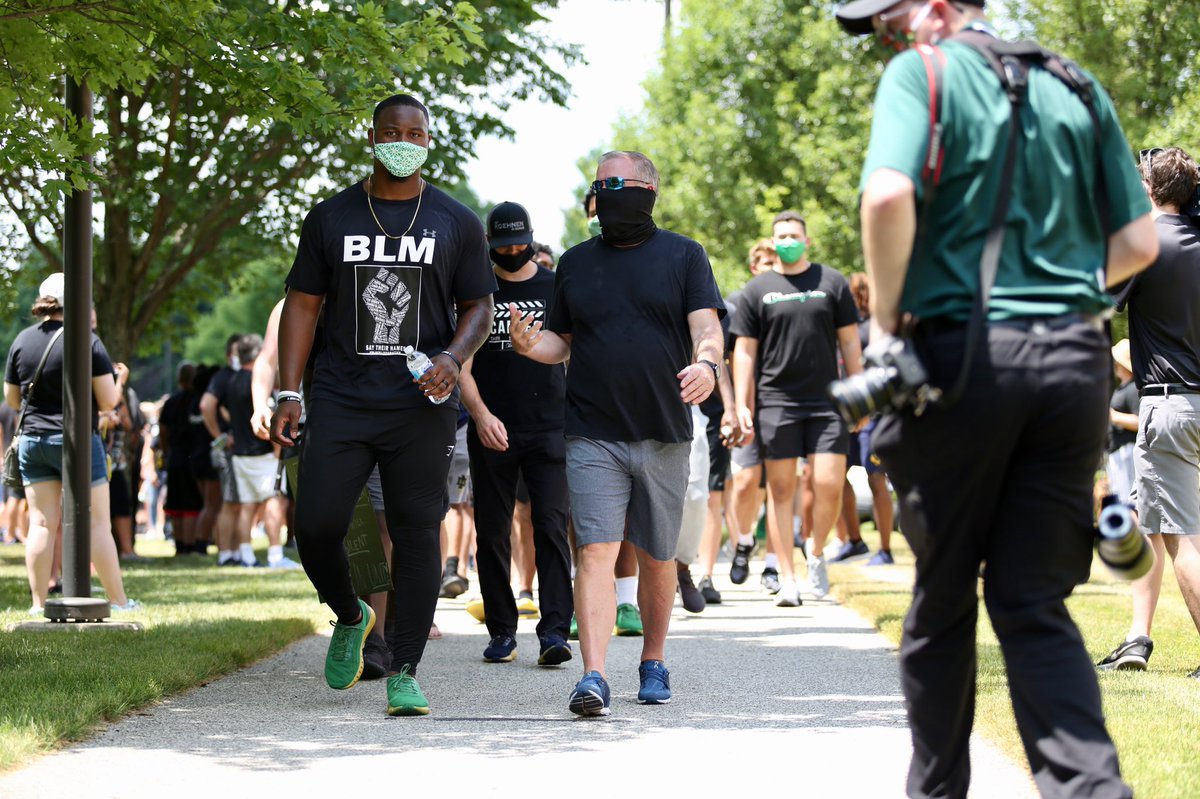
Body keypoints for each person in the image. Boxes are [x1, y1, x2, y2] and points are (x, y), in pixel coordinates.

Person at [837, 0, 1158, 795]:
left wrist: (883, 327)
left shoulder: (927, 70)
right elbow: (1139, 242)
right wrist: (1060, 296)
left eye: (889, 26)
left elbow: (885, 196)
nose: (889, 44)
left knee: (942, 598)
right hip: (1075, 362)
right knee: (1033, 602)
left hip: (963, 358)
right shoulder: (1078, 85)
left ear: (939, 11)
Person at [271, 93, 495, 717]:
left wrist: (452, 358)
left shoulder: (455, 221)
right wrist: (290, 390)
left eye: (415, 132)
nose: (404, 140)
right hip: (342, 396)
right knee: (315, 527)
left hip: (419, 403)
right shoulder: (331, 217)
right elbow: (303, 306)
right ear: (372, 137)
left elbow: (478, 306)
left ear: (428, 140)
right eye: (392, 131)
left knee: (417, 533)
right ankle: (350, 612)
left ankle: (404, 667)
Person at [510, 150, 724, 716]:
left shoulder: (685, 255)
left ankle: (653, 660)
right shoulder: (575, 264)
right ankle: (593, 676)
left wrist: (708, 366)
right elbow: (562, 342)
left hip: (663, 431)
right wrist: (532, 347)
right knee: (597, 549)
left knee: (656, 554)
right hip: (591, 431)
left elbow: (707, 327)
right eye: (599, 185)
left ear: (650, 188)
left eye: (618, 183)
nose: (606, 193)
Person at [1098, 147, 1200, 675]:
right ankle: (1138, 636)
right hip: (1190, 406)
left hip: (1170, 405)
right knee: (1151, 523)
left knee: (1181, 534)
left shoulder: (1144, 243)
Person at [458, 200, 573, 665]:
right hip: (491, 428)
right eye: (504, 245)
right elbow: (460, 364)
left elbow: (569, 348)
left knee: (550, 527)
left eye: (521, 242)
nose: (515, 251)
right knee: (492, 532)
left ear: (532, 236)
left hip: (550, 427)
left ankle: (554, 633)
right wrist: (482, 416)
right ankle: (502, 631)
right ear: (490, 245)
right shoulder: (475, 294)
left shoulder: (555, 286)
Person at [732, 211, 863, 605]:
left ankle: (816, 550)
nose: (788, 240)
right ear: (774, 243)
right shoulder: (759, 289)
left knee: (827, 484)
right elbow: (744, 353)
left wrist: (860, 395)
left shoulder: (832, 282)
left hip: (827, 402)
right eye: (781, 235)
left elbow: (851, 344)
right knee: (780, 490)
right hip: (777, 402)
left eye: (794, 234)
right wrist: (741, 403)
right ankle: (787, 578)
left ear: (807, 241)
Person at [4, 272, 139, 613]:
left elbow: (12, 399)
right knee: (97, 522)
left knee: (40, 523)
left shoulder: (22, 340)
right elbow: (108, 401)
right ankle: (119, 602)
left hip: (33, 440)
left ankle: (37, 604)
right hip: (76, 440)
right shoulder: (87, 340)